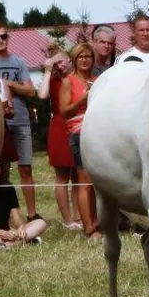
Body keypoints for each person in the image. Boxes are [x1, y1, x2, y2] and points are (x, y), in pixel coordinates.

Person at [0, 22, 39, 218]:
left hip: (21, 119)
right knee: (1, 170)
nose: (1, 41)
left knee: (26, 168)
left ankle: (32, 214)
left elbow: (31, 90)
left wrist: (9, 84)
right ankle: (3, 214)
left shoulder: (19, 62)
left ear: (8, 37)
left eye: (4, 36)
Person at [53, 42, 98, 239]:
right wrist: (82, 100)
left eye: (88, 56)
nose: (85, 60)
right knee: (84, 179)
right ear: (74, 59)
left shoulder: (98, 80)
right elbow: (63, 111)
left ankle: (97, 223)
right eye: (81, 56)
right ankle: (88, 228)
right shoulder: (68, 82)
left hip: (99, 132)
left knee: (97, 181)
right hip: (79, 132)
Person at [37, 45, 79, 230]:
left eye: (61, 61)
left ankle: (80, 216)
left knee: (79, 175)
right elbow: (42, 95)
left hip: (78, 123)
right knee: (62, 176)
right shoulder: (53, 79)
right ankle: (68, 220)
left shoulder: (78, 77)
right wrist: (47, 71)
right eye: (55, 64)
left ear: (69, 59)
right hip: (59, 126)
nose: (59, 66)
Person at [0, 162, 47, 247]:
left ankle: (6, 245)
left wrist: (20, 227)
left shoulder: (9, 188)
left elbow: (16, 216)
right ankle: (22, 241)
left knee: (41, 223)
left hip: (7, 231)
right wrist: (3, 233)